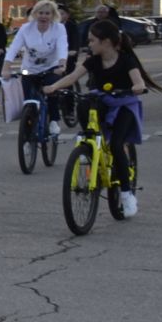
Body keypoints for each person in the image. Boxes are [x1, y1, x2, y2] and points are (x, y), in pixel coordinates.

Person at [44, 20, 149, 216]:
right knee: (84, 104)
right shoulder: (93, 60)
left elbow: (138, 81)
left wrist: (137, 87)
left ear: (106, 42)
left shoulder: (126, 60)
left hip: (124, 103)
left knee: (117, 145)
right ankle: (91, 147)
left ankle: (126, 195)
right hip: (102, 101)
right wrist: (54, 87)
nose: (89, 44)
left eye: (92, 40)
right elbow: (73, 76)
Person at [3, 0, 70, 137]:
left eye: (47, 13)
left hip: (51, 67)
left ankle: (54, 120)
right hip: (30, 68)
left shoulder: (59, 28)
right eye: (41, 13)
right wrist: (6, 67)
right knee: (28, 101)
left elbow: (62, 47)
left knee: (51, 90)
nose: (44, 16)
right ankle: (27, 136)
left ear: (53, 15)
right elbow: (14, 47)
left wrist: (62, 64)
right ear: (35, 14)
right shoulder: (26, 28)